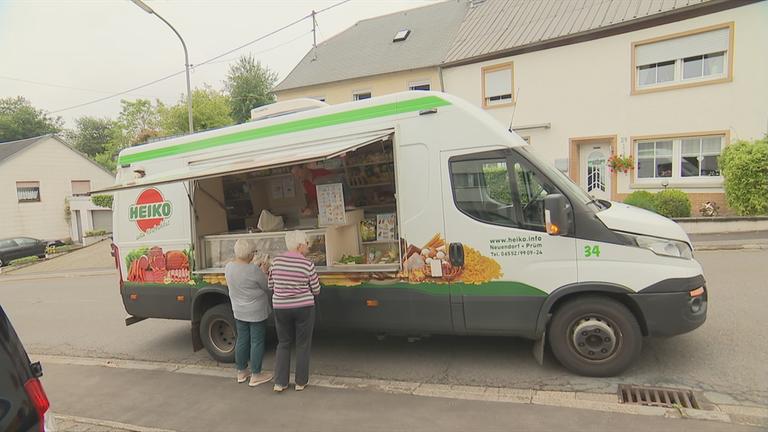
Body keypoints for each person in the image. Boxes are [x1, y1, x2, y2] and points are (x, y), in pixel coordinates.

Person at [268, 230, 321, 392]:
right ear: (299, 246)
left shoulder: (276, 262)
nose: (308, 246)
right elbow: (316, 290)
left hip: (281, 308)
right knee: (303, 344)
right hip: (303, 307)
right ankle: (300, 382)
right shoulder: (307, 264)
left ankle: (280, 382)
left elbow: (270, 285)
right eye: (306, 243)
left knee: (283, 343)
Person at [225, 239, 272, 387]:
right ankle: (256, 374)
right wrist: (263, 271)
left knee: (242, 339)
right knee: (256, 341)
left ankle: (241, 372)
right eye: (254, 252)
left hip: (239, 310)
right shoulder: (253, 270)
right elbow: (266, 286)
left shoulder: (229, 267)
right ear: (250, 254)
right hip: (256, 311)